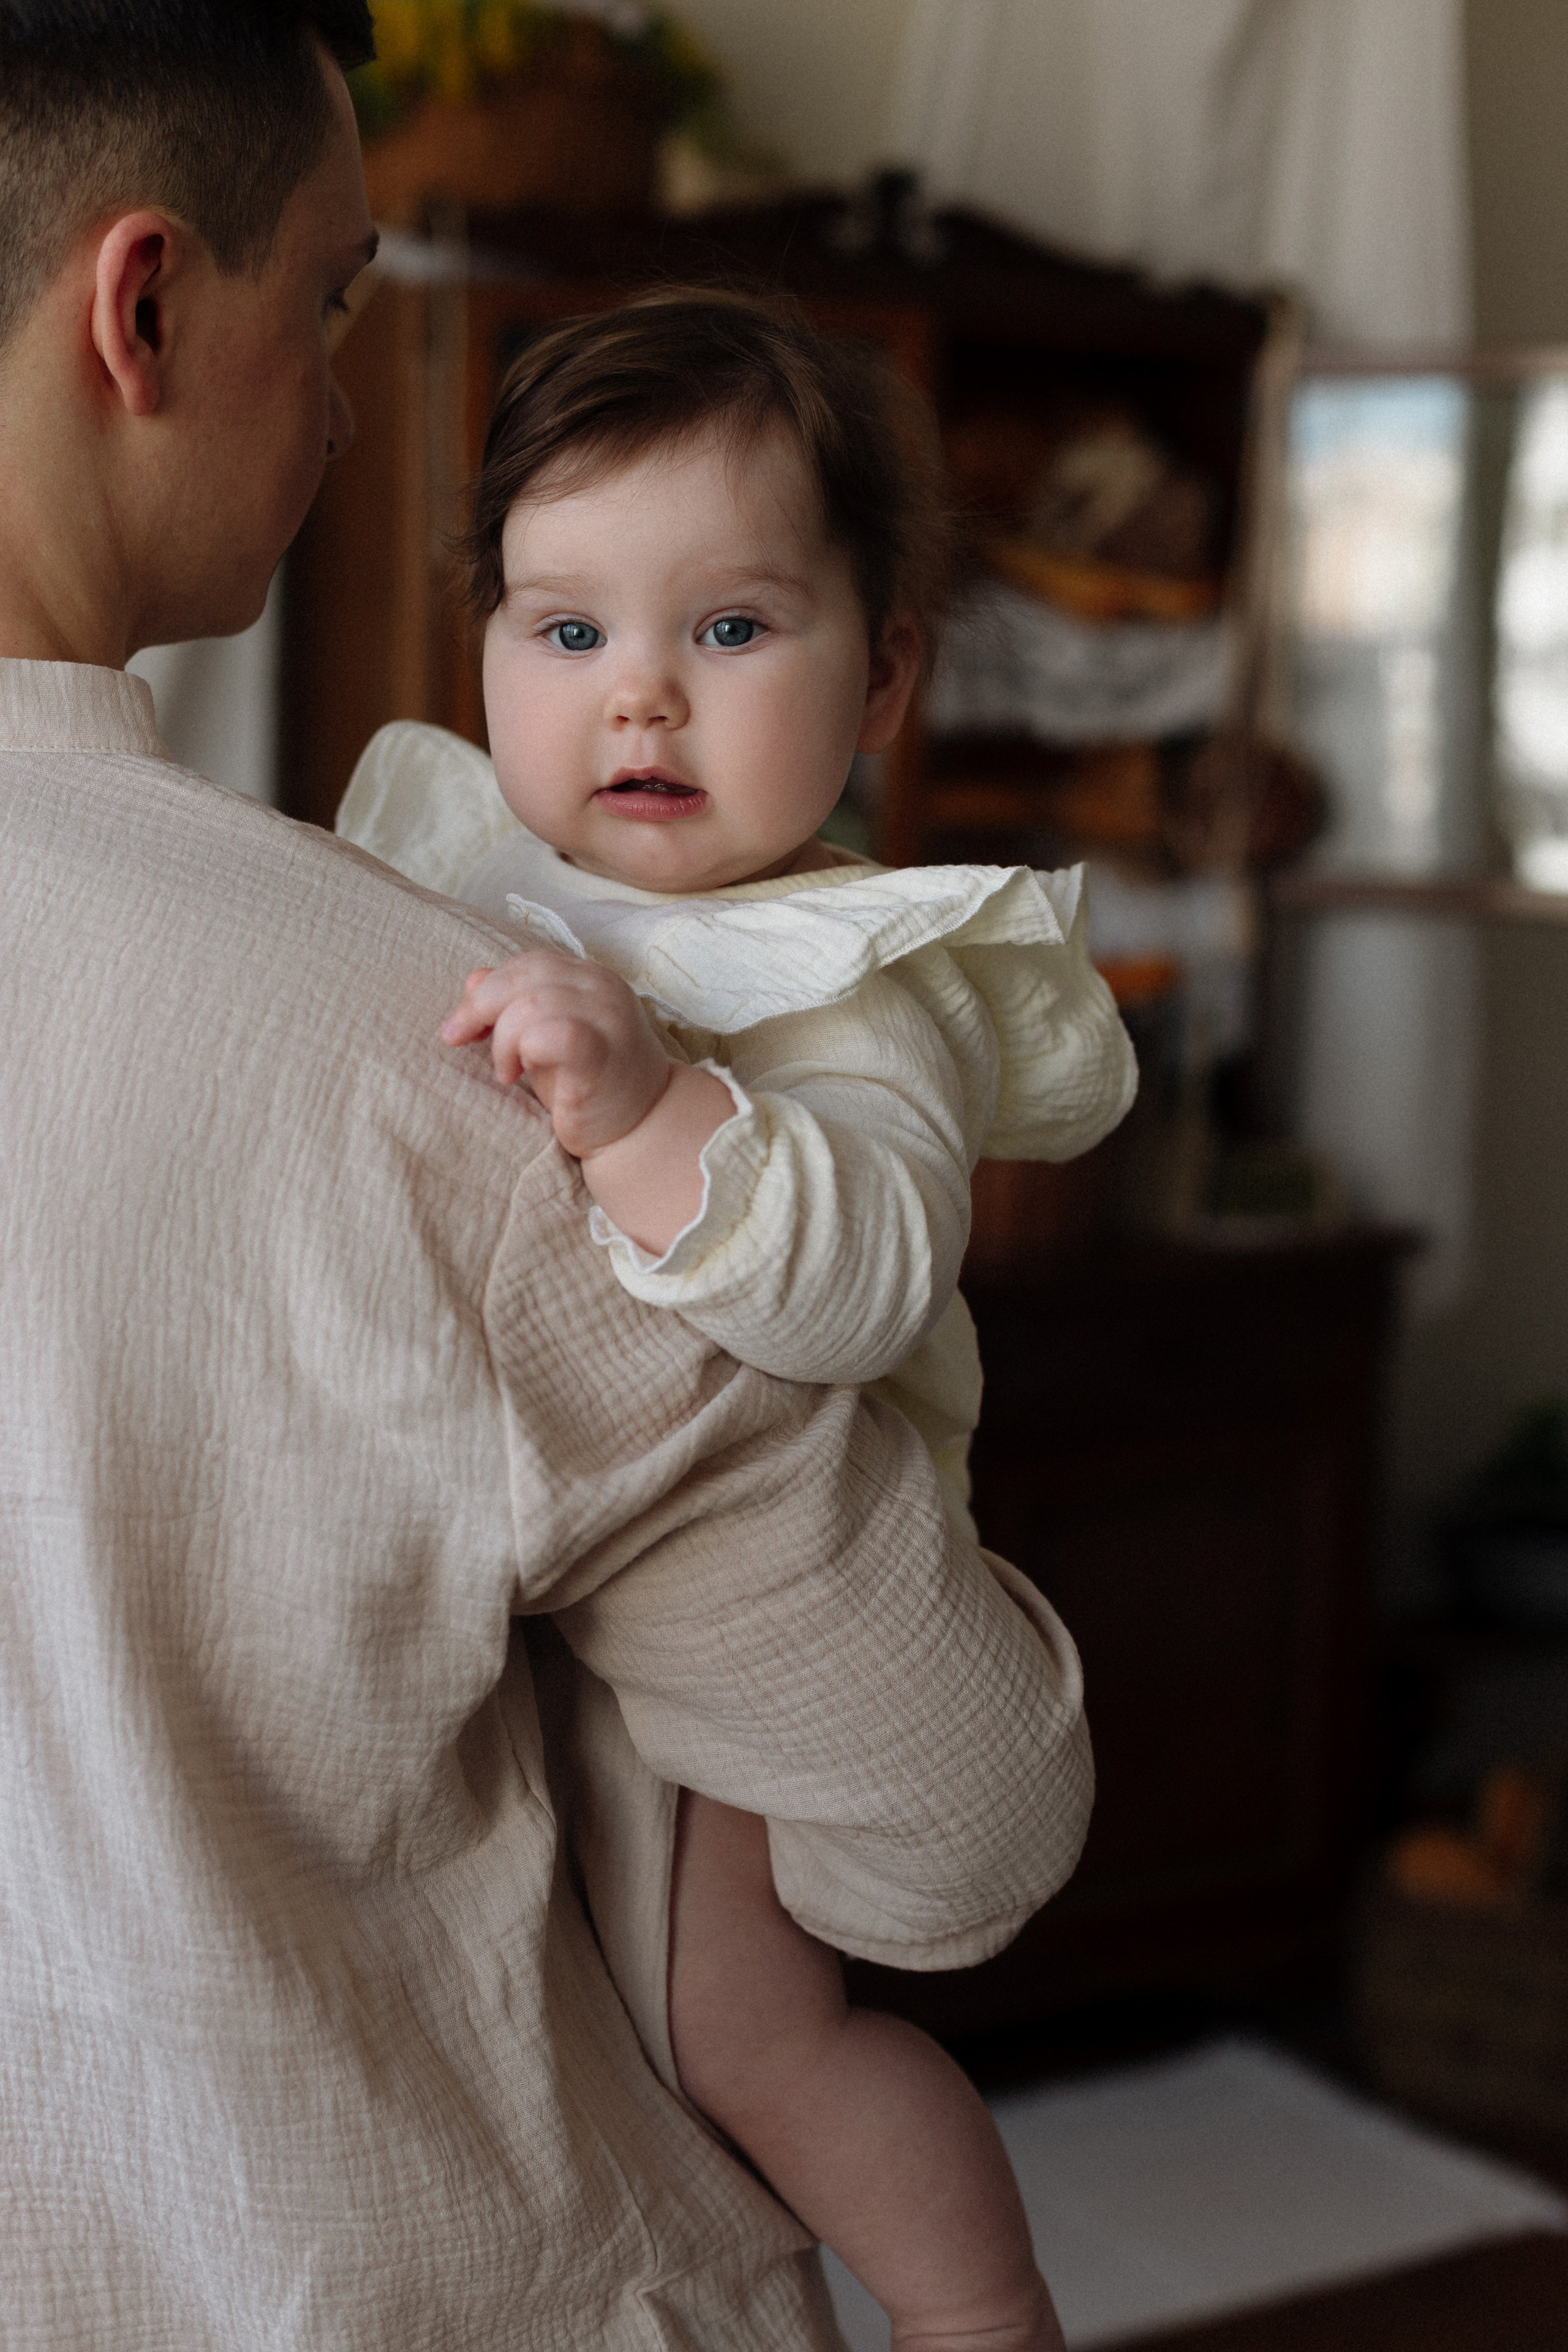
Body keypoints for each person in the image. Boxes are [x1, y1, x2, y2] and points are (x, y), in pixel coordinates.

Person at [0, 12, 1096, 2351]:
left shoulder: (728, 985)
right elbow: (963, 1824)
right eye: (333, 300)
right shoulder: (426, 1049)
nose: (344, 401)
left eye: (729, 628)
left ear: (879, 674)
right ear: (145, 309)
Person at [337, 292, 1137, 2351]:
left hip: (764, 1593)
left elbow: (859, 1272)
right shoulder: (468, 873)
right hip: (525, 1551)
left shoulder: (849, 976)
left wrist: (647, 1109)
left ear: (883, 676)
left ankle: (980, 2313)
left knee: (744, 2038)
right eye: (567, 628)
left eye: (730, 627)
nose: (641, 699)